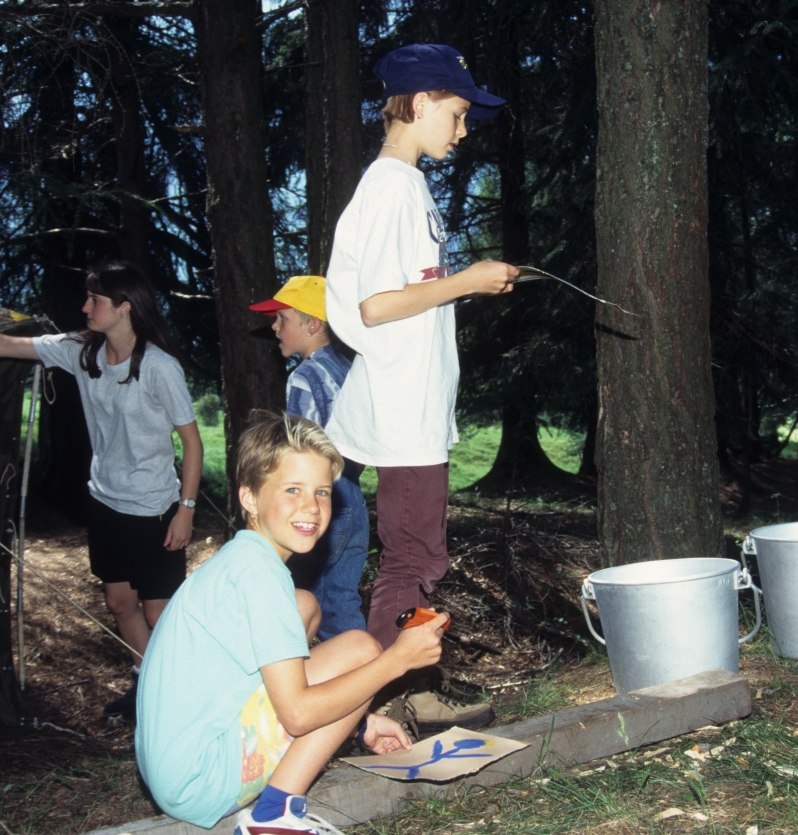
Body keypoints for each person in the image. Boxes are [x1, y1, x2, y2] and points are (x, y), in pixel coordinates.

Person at [0, 261, 202, 722]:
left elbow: (192, 442)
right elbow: (6, 345)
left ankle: (184, 699)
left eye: (95, 299)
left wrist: (185, 509)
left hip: (155, 509)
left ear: (125, 307)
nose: (85, 307)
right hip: (105, 502)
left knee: (160, 614)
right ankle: (146, 685)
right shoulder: (81, 351)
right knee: (119, 604)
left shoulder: (159, 367)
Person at [324, 43, 517, 734]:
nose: (463, 131)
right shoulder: (391, 188)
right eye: (457, 113)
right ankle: (378, 703)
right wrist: (467, 281)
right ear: (421, 100)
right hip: (401, 411)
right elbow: (376, 306)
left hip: (412, 406)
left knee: (416, 554)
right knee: (414, 556)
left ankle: (409, 685)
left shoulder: (406, 185)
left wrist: (463, 283)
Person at [135, 411, 444, 834]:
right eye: (292, 489)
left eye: (322, 492)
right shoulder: (260, 576)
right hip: (203, 779)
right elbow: (296, 715)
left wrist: (358, 721)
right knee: (362, 651)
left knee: (305, 606)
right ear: (249, 498)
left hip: (176, 768)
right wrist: (397, 661)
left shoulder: (243, 559)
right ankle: (274, 816)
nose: (311, 507)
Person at [249, 276, 369, 641]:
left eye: (282, 318)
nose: (274, 327)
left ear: (312, 324)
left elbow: (299, 452)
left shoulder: (304, 376)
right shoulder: (350, 369)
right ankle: (360, 668)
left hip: (316, 502)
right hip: (352, 498)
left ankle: (300, 675)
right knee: (342, 602)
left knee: (303, 604)